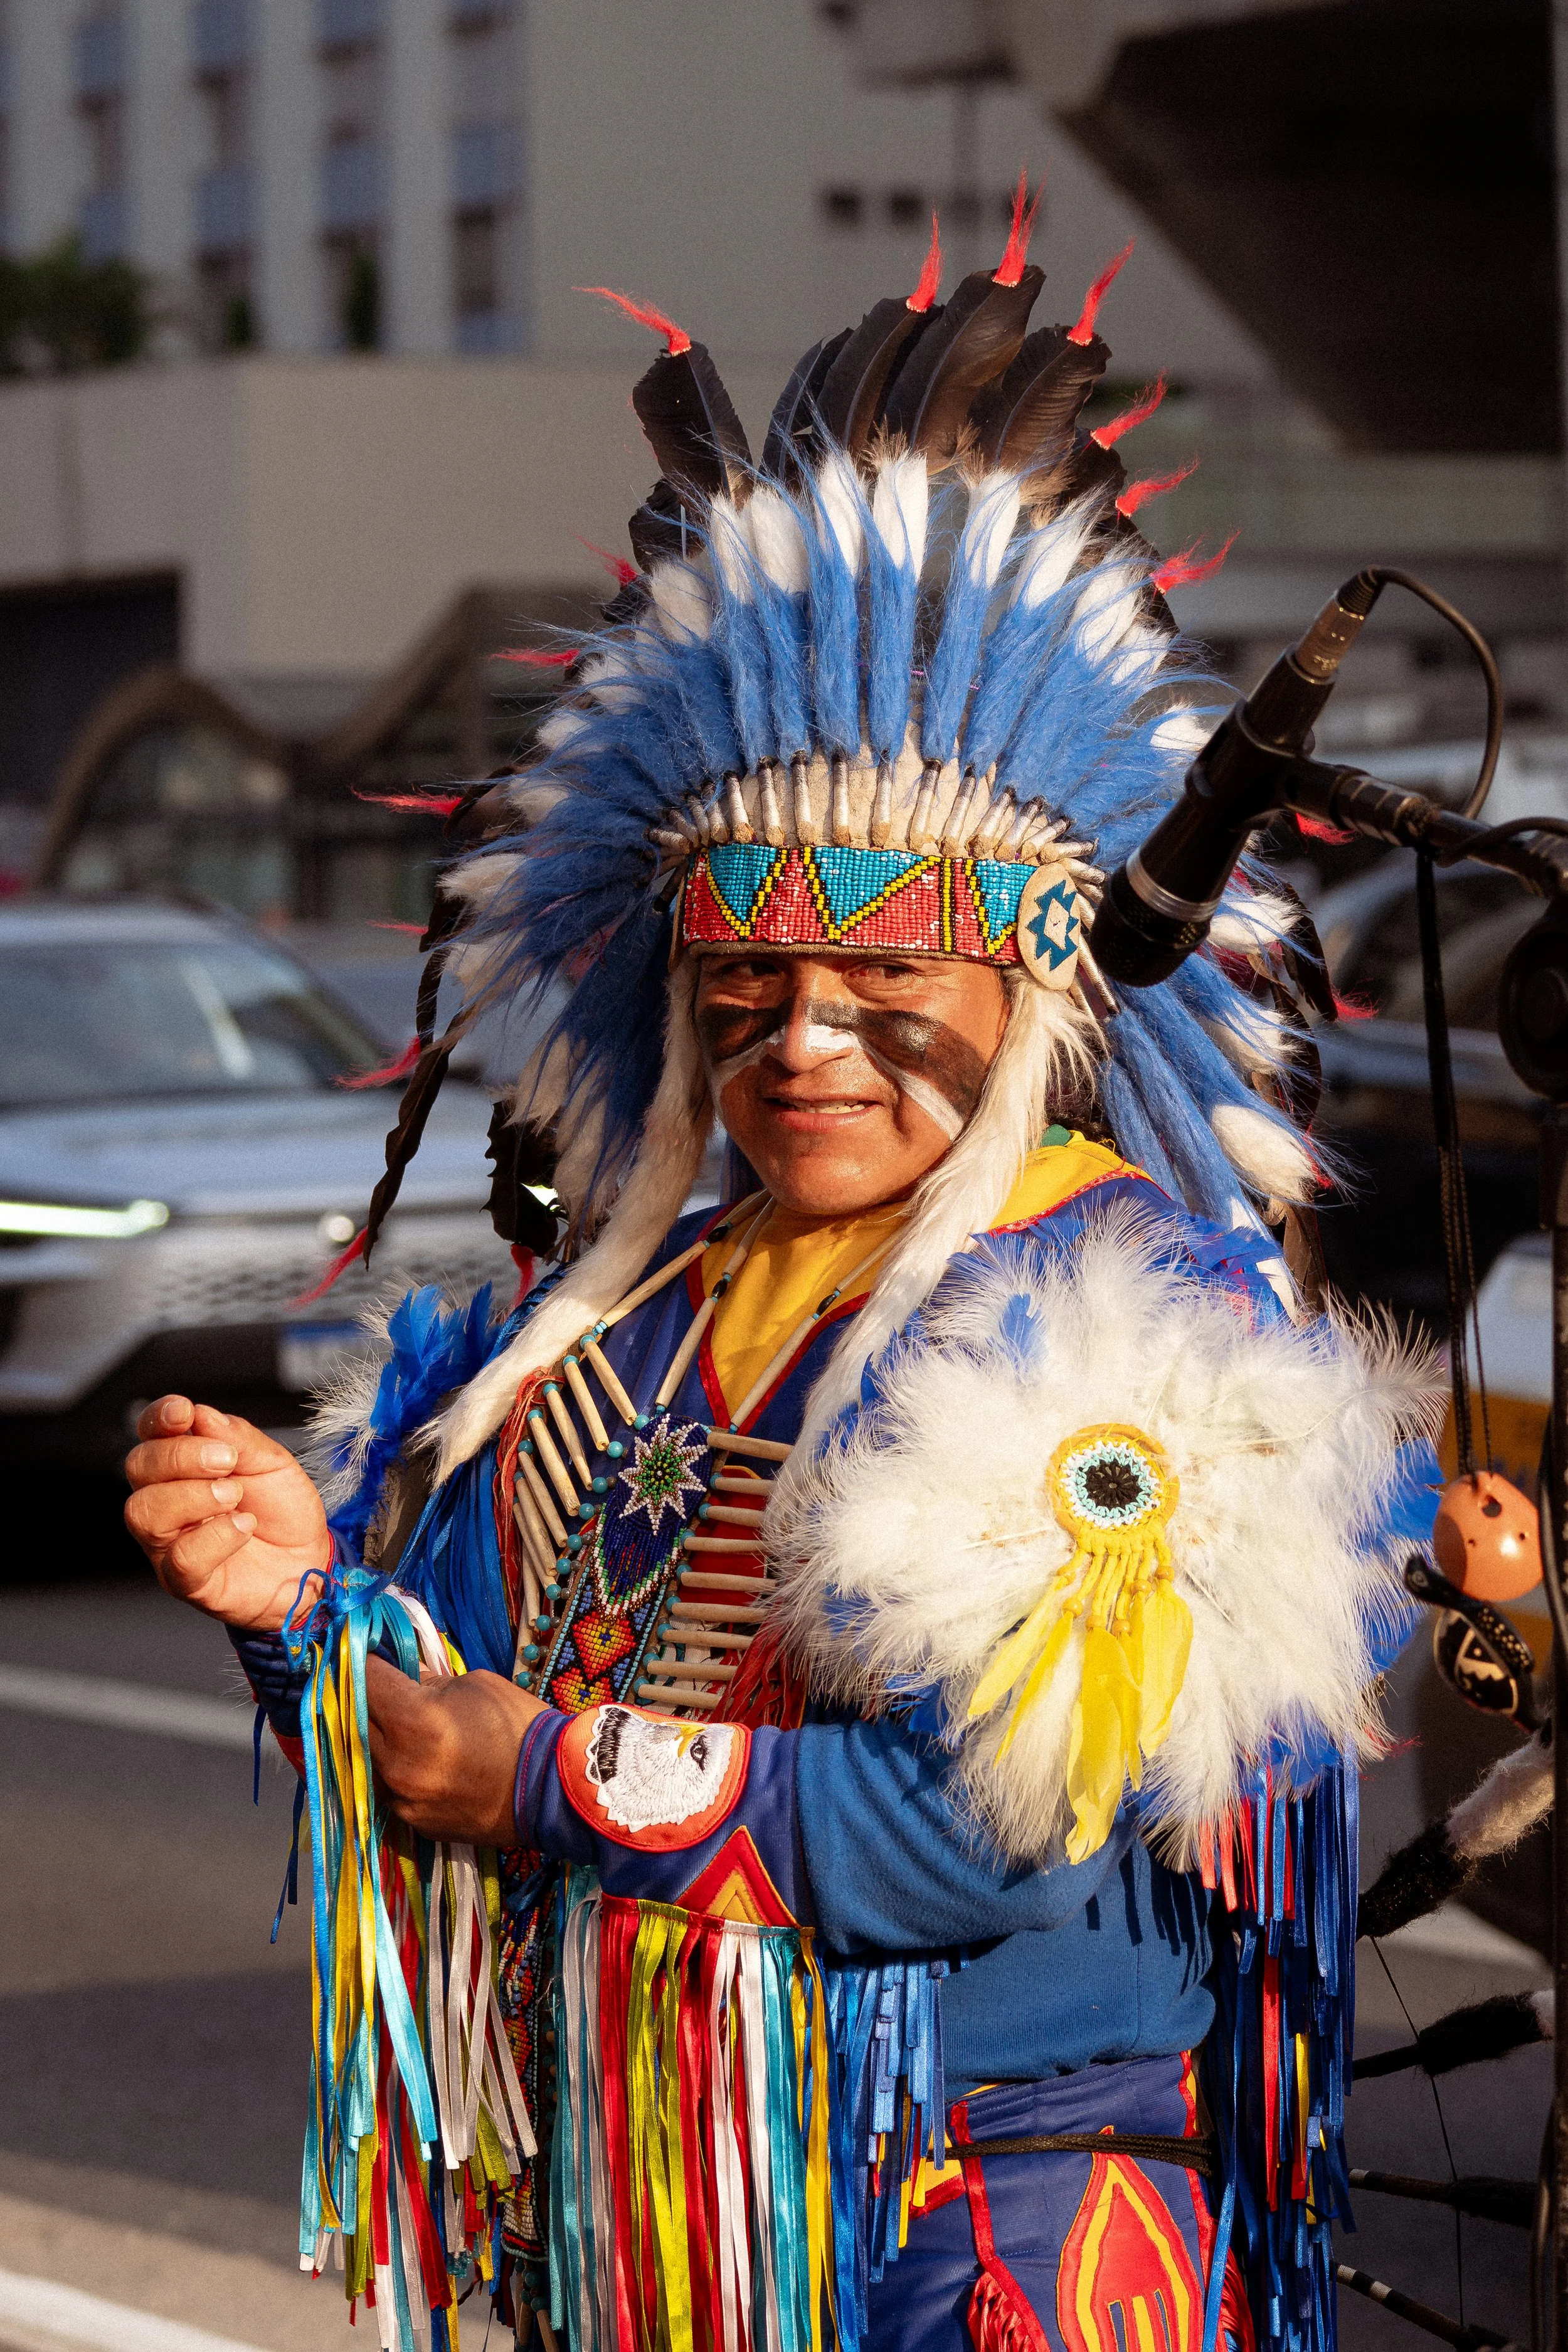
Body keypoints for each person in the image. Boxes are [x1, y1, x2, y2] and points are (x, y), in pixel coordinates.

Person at [124, 204, 1441, 2352]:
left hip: (992, 2216)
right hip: (670, 2210)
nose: (799, 1038)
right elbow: (455, 1697)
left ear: (1023, 983)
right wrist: (311, 1606)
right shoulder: (617, 1318)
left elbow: (980, 1835)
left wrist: (540, 1775)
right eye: (741, 980)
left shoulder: (1118, 1312)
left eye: (873, 975)